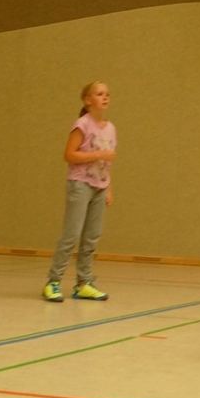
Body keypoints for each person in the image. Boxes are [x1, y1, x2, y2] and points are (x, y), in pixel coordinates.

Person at [43, 82, 116, 302]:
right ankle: (53, 282)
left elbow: (106, 164)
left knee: (92, 237)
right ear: (87, 100)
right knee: (71, 235)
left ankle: (84, 283)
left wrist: (108, 188)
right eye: (100, 94)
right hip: (80, 184)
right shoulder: (82, 125)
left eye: (107, 94)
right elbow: (69, 155)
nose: (105, 97)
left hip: (99, 187)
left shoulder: (110, 128)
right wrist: (98, 154)